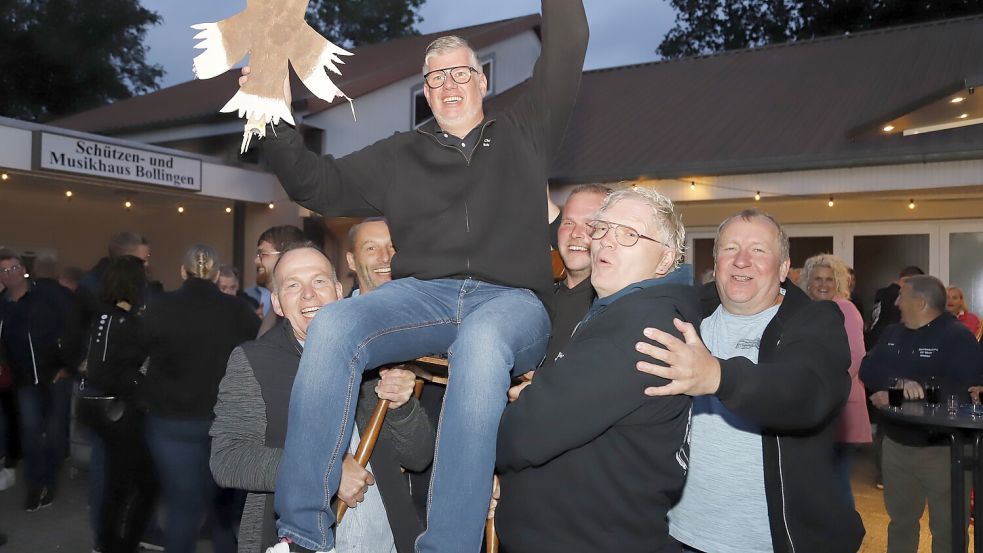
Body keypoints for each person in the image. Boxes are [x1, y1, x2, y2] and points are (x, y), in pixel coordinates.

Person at [248, 1, 588, 551]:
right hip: (422, 295)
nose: (449, 84)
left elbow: (568, 43)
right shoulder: (401, 155)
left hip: (511, 303)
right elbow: (315, 184)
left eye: (461, 73)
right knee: (334, 323)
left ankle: (448, 545)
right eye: (436, 78)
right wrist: (274, 112)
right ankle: (302, 534)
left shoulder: (526, 130)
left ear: (481, 82)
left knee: (481, 344)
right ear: (426, 93)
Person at [634, 209, 864, 553]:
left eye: (758, 250)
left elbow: (807, 392)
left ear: (784, 268)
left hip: (771, 543)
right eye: (729, 249)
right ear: (715, 263)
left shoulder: (815, 323)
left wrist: (718, 376)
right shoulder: (685, 317)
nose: (742, 261)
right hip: (677, 535)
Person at [496, 188, 696, 552]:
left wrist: (526, 404)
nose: (605, 242)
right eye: (602, 229)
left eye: (629, 234)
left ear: (665, 260)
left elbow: (523, 434)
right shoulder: (621, 312)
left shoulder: (640, 329)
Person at [211, 243, 434, 553]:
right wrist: (326, 470)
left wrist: (402, 408)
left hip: (387, 539)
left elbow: (419, 457)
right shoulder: (254, 361)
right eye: (292, 285)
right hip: (297, 542)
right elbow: (228, 459)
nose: (308, 295)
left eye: (318, 281)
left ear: (338, 290)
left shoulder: (378, 351)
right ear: (276, 302)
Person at [142, 245, 260, 553]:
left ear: (183, 272)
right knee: (222, 507)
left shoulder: (160, 306)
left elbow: (135, 354)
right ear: (217, 273)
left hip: (170, 420)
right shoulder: (239, 311)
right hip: (224, 420)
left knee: (182, 507)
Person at [861, 275, 980, 553]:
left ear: (921, 302)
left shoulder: (957, 337)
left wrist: (892, 395)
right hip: (896, 446)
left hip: (943, 451)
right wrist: (898, 383)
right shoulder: (892, 333)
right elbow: (868, 370)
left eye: (902, 296)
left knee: (949, 531)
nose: (897, 302)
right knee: (900, 524)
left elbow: (958, 394)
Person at [77, 255, 158, 553]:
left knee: (128, 482)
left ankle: (117, 542)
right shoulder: (115, 318)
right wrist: (142, 386)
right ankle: (116, 544)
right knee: (130, 484)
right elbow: (105, 370)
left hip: (106, 407)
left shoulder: (109, 315)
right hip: (116, 410)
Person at [0, 248, 82, 512]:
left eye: (13, 268)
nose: (10, 274)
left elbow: (74, 327)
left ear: (23, 268)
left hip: (56, 375)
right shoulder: (2, 305)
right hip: (24, 380)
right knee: (32, 433)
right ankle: (35, 484)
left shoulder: (47, 294)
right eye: (4, 271)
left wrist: (69, 365)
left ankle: (50, 479)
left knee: (56, 433)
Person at [799, 253, 872, 506]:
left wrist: (822, 389)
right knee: (817, 481)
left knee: (837, 480)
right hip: (811, 407)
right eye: (817, 278)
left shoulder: (846, 310)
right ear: (807, 281)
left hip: (839, 407)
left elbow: (855, 356)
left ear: (838, 282)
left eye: (829, 279)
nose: (823, 284)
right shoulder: (804, 308)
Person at [543, 184, 609, 362]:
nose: (576, 233)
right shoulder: (537, 296)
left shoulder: (615, 305)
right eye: (569, 223)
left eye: (590, 225)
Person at [250, 226, 305, 336]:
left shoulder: (297, 307)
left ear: (285, 256)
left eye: (262, 254)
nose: (256, 260)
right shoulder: (275, 304)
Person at [868, 265, 924, 350]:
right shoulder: (899, 296)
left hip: (874, 343)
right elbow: (898, 325)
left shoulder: (883, 294)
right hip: (888, 346)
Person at [345, 218, 394, 296]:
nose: (385, 258)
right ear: (351, 261)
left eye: (392, 246)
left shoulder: (419, 306)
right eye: (371, 248)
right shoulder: (340, 308)